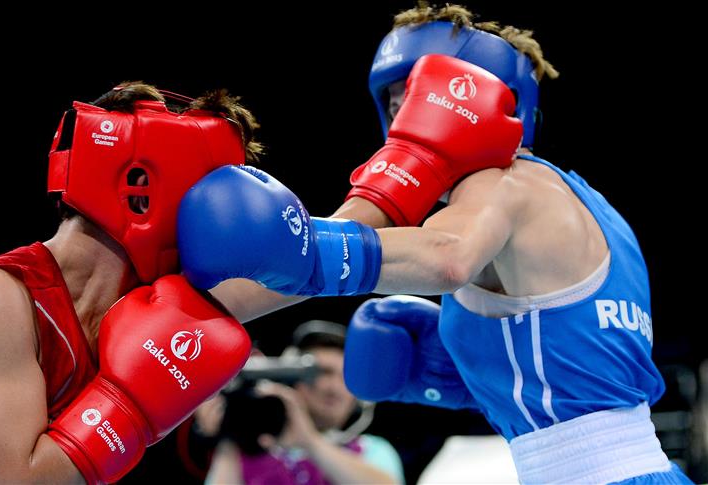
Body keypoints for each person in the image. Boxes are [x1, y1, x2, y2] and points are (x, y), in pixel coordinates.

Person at [176, 3, 694, 483]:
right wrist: (468, 376)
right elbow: (578, 377)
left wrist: (285, 248)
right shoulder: (587, 207)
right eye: (396, 106)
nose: (407, 122)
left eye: (421, 99)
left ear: (483, 98)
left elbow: (446, 259)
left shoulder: (508, 181)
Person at [0, 83, 259, 484]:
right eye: (211, 193)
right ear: (140, 190)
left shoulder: (155, 299)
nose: (230, 216)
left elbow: (292, 274)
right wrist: (129, 407)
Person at [202, 320, 404, 485]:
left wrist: (308, 440)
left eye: (346, 377)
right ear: (292, 379)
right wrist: (228, 437)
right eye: (322, 372)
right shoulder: (247, 452)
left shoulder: (373, 450)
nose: (333, 387)